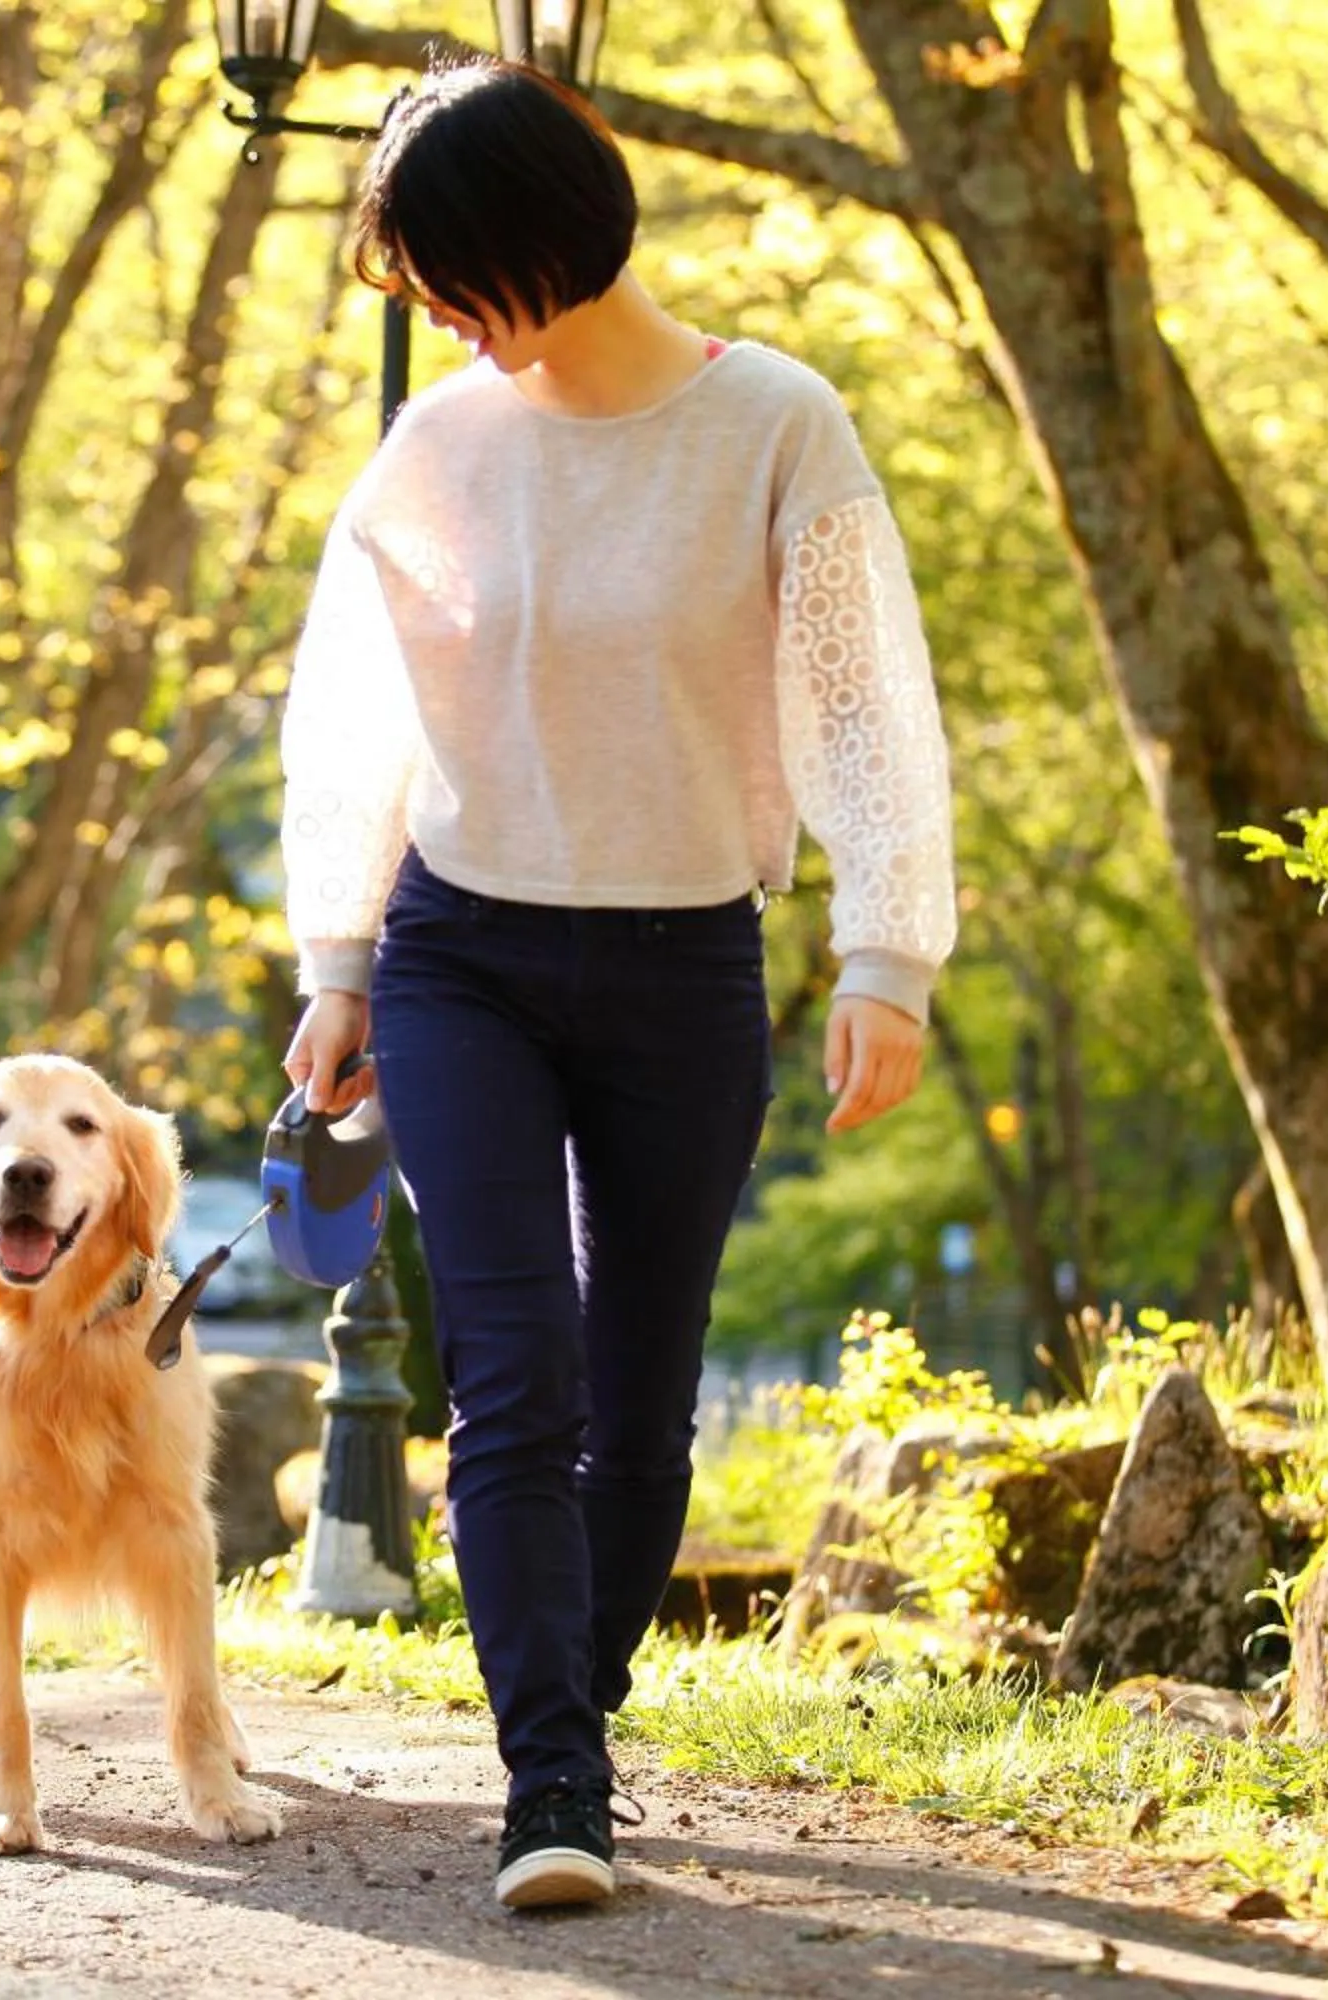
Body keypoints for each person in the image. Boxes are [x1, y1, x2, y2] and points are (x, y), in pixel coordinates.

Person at [276, 59, 958, 1911]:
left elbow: (864, 708)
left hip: (683, 968)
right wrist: (338, 962)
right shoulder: (433, 453)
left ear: (531, 241)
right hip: (462, 956)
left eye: (437, 271)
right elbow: (354, 717)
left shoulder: (776, 428)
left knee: (640, 1396)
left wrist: (884, 951)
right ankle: (550, 1780)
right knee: (515, 1373)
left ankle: (581, 1709)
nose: (422, 310)